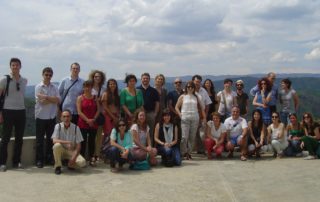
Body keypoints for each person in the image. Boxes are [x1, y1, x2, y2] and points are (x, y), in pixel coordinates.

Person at [0, 58, 28, 171]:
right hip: (8, 111)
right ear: (10, 67)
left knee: (19, 138)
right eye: (13, 65)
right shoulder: (4, 79)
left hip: (21, 111)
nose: (15, 67)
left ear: (20, 66)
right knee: (5, 138)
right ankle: (2, 163)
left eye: (17, 65)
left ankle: (17, 161)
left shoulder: (24, 80)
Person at [34, 67, 60, 168]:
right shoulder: (38, 87)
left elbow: (58, 100)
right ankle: (39, 160)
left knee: (51, 140)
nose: (48, 77)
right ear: (43, 75)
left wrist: (46, 97)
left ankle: (49, 158)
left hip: (51, 116)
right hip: (40, 116)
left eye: (50, 75)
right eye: (46, 75)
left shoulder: (55, 87)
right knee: (39, 141)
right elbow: (42, 102)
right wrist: (52, 100)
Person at [175, 81, 206, 160]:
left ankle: (189, 153)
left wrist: (204, 118)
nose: (190, 88)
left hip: (195, 117)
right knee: (184, 137)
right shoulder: (182, 96)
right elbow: (176, 107)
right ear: (186, 87)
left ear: (194, 88)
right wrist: (180, 115)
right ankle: (183, 152)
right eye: (188, 87)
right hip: (185, 117)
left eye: (192, 87)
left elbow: (202, 107)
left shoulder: (197, 96)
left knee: (192, 137)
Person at [51, 110, 86, 175]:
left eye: (68, 116)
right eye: (64, 116)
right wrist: (68, 142)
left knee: (82, 163)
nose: (66, 118)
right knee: (56, 146)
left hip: (71, 151)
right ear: (61, 118)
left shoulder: (76, 128)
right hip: (61, 150)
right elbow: (54, 140)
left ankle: (69, 163)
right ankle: (58, 166)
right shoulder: (58, 126)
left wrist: (74, 158)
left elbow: (79, 145)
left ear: (71, 118)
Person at [76, 80, 100, 166]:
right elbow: (79, 112)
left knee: (92, 141)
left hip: (93, 122)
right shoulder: (80, 98)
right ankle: (82, 159)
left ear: (91, 87)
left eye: (89, 86)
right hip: (83, 122)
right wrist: (88, 120)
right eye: (86, 86)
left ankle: (91, 158)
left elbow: (98, 110)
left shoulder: (95, 97)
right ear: (83, 87)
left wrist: (93, 119)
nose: (87, 88)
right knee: (83, 141)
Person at [137, 73, 160, 145]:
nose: (145, 80)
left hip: (150, 113)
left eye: (147, 78)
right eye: (144, 78)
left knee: (151, 131)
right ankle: (140, 148)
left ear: (149, 80)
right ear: (141, 79)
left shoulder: (154, 90)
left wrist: (155, 113)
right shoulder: (137, 89)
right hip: (139, 114)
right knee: (139, 130)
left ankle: (150, 149)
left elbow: (157, 103)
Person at [89, 70, 106, 161]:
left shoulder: (103, 89)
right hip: (90, 113)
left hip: (99, 113)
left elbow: (104, 101)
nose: (97, 78)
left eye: (99, 77)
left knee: (99, 135)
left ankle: (97, 154)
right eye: (95, 76)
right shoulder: (89, 87)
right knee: (91, 135)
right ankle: (90, 154)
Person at [192, 75, 211, 154]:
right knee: (192, 133)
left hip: (201, 115)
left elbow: (207, 104)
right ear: (193, 81)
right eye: (196, 81)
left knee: (202, 134)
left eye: (199, 82)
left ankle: (201, 149)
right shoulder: (188, 89)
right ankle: (191, 150)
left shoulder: (203, 90)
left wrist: (205, 116)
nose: (197, 83)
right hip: (192, 115)